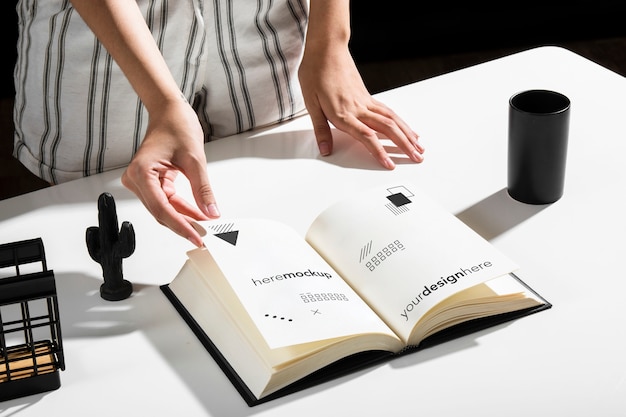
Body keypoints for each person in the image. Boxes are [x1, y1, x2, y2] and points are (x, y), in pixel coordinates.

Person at [14, 0, 424, 247]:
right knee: (109, 227)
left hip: (267, 35)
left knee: (286, 219)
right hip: (107, 55)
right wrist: (162, 100)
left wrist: (330, 38)